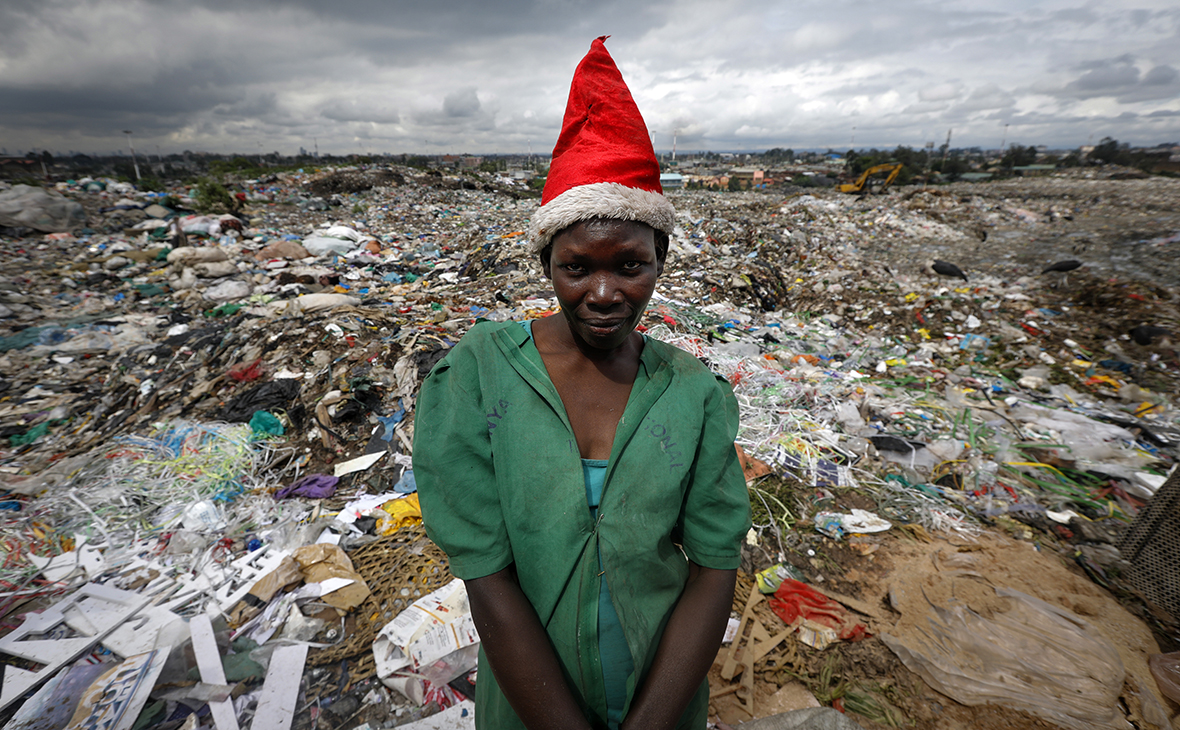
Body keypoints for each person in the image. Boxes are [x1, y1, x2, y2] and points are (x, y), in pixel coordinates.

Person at [414, 36, 751, 730]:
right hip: (530, 704)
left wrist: (653, 721)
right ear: (548, 265)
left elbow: (715, 567)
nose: (603, 292)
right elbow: (488, 575)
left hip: (662, 691)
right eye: (577, 268)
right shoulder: (478, 373)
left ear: (660, 260)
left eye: (630, 266)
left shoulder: (693, 393)